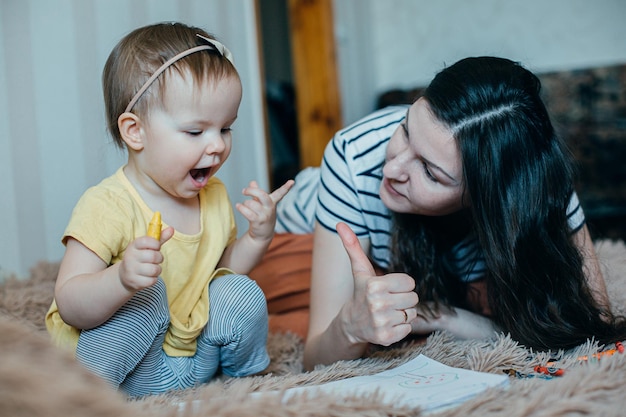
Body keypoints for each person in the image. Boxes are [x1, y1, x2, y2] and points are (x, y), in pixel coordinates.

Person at [272, 56, 626, 369]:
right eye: (406, 130)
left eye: (429, 172)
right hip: (302, 231)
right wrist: (350, 325)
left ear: (489, 200)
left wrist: (445, 316)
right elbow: (315, 358)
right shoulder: (354, 157)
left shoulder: (535, 185)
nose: (392, 168)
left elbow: (586, 322)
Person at [45, 22, 293, 397]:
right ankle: (83, 399)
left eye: (225, 129)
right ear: (135, 131)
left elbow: (219, 273)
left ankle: (248, 385)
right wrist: (121, 279)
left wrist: (259, 237)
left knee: (239, 290)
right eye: (195, 132)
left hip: (193, 360)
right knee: (147, 295)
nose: (216, 146)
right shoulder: (107, 205)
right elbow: (70, 304)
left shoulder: (212, 195)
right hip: (125, 368)